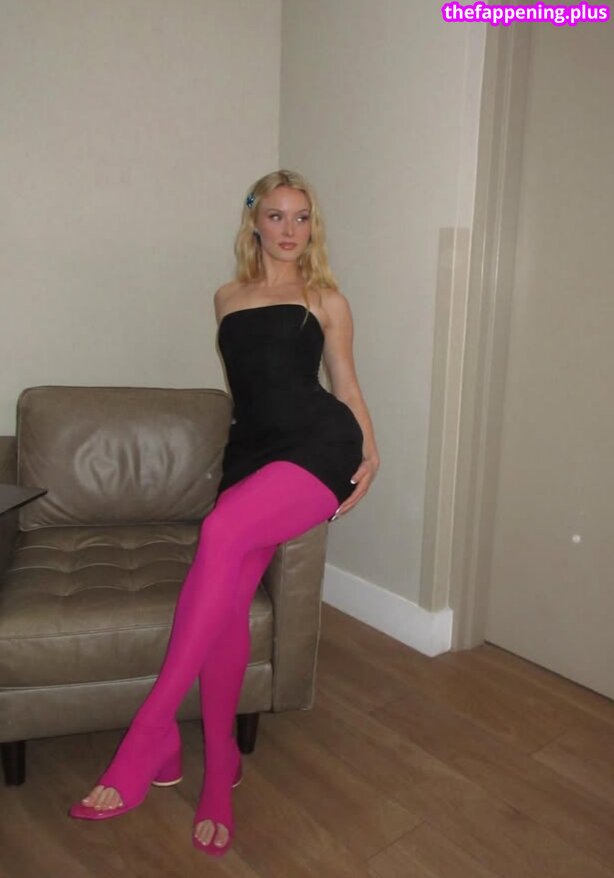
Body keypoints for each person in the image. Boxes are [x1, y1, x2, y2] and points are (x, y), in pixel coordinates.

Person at [68, 169, 380, 857]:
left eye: (302, 217)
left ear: (313, 227)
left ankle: (148, 733)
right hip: (253, 453)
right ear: (255, 222)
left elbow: (347, 386)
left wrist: (372, 449)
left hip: (319, 447)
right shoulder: (227, 297)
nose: (290, 230)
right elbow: (253, 387)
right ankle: (221, 766)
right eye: (277, 215)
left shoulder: (326, 298)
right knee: (229, 596)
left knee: (219, 529)